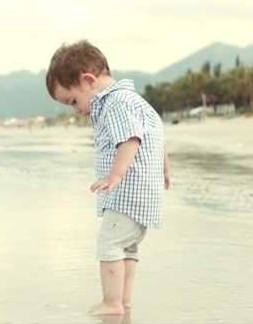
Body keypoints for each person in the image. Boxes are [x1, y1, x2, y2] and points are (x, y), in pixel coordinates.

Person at [45, 40, 170, 316]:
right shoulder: (136, 101)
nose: (76, 109)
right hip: (145, 194)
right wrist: (165, 168)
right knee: (127, 247)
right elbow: (156, 135)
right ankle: (123, 301)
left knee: (109, 244)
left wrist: (114, 176)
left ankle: (111, 302)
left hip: (128, 193)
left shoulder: (116, 103)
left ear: (88, 80)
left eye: (73, 101)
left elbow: (130, 139)